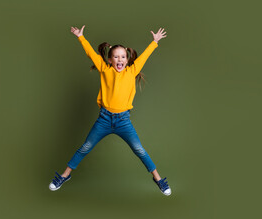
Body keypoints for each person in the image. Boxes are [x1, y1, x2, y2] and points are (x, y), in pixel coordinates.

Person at [49, 25, 171, 196]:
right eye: (116, 57)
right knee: (85, 147)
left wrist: (154, 42)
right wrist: (81, 37)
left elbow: (144, 57)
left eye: (123, 57)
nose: (119, 60)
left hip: (123, 121)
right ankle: (64, 176)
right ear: (110, 59)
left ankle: (158, 179)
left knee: (139, 150)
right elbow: (91, 54)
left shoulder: (132, 71)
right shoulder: (104, 69)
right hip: (104, 120)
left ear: (127, 59)